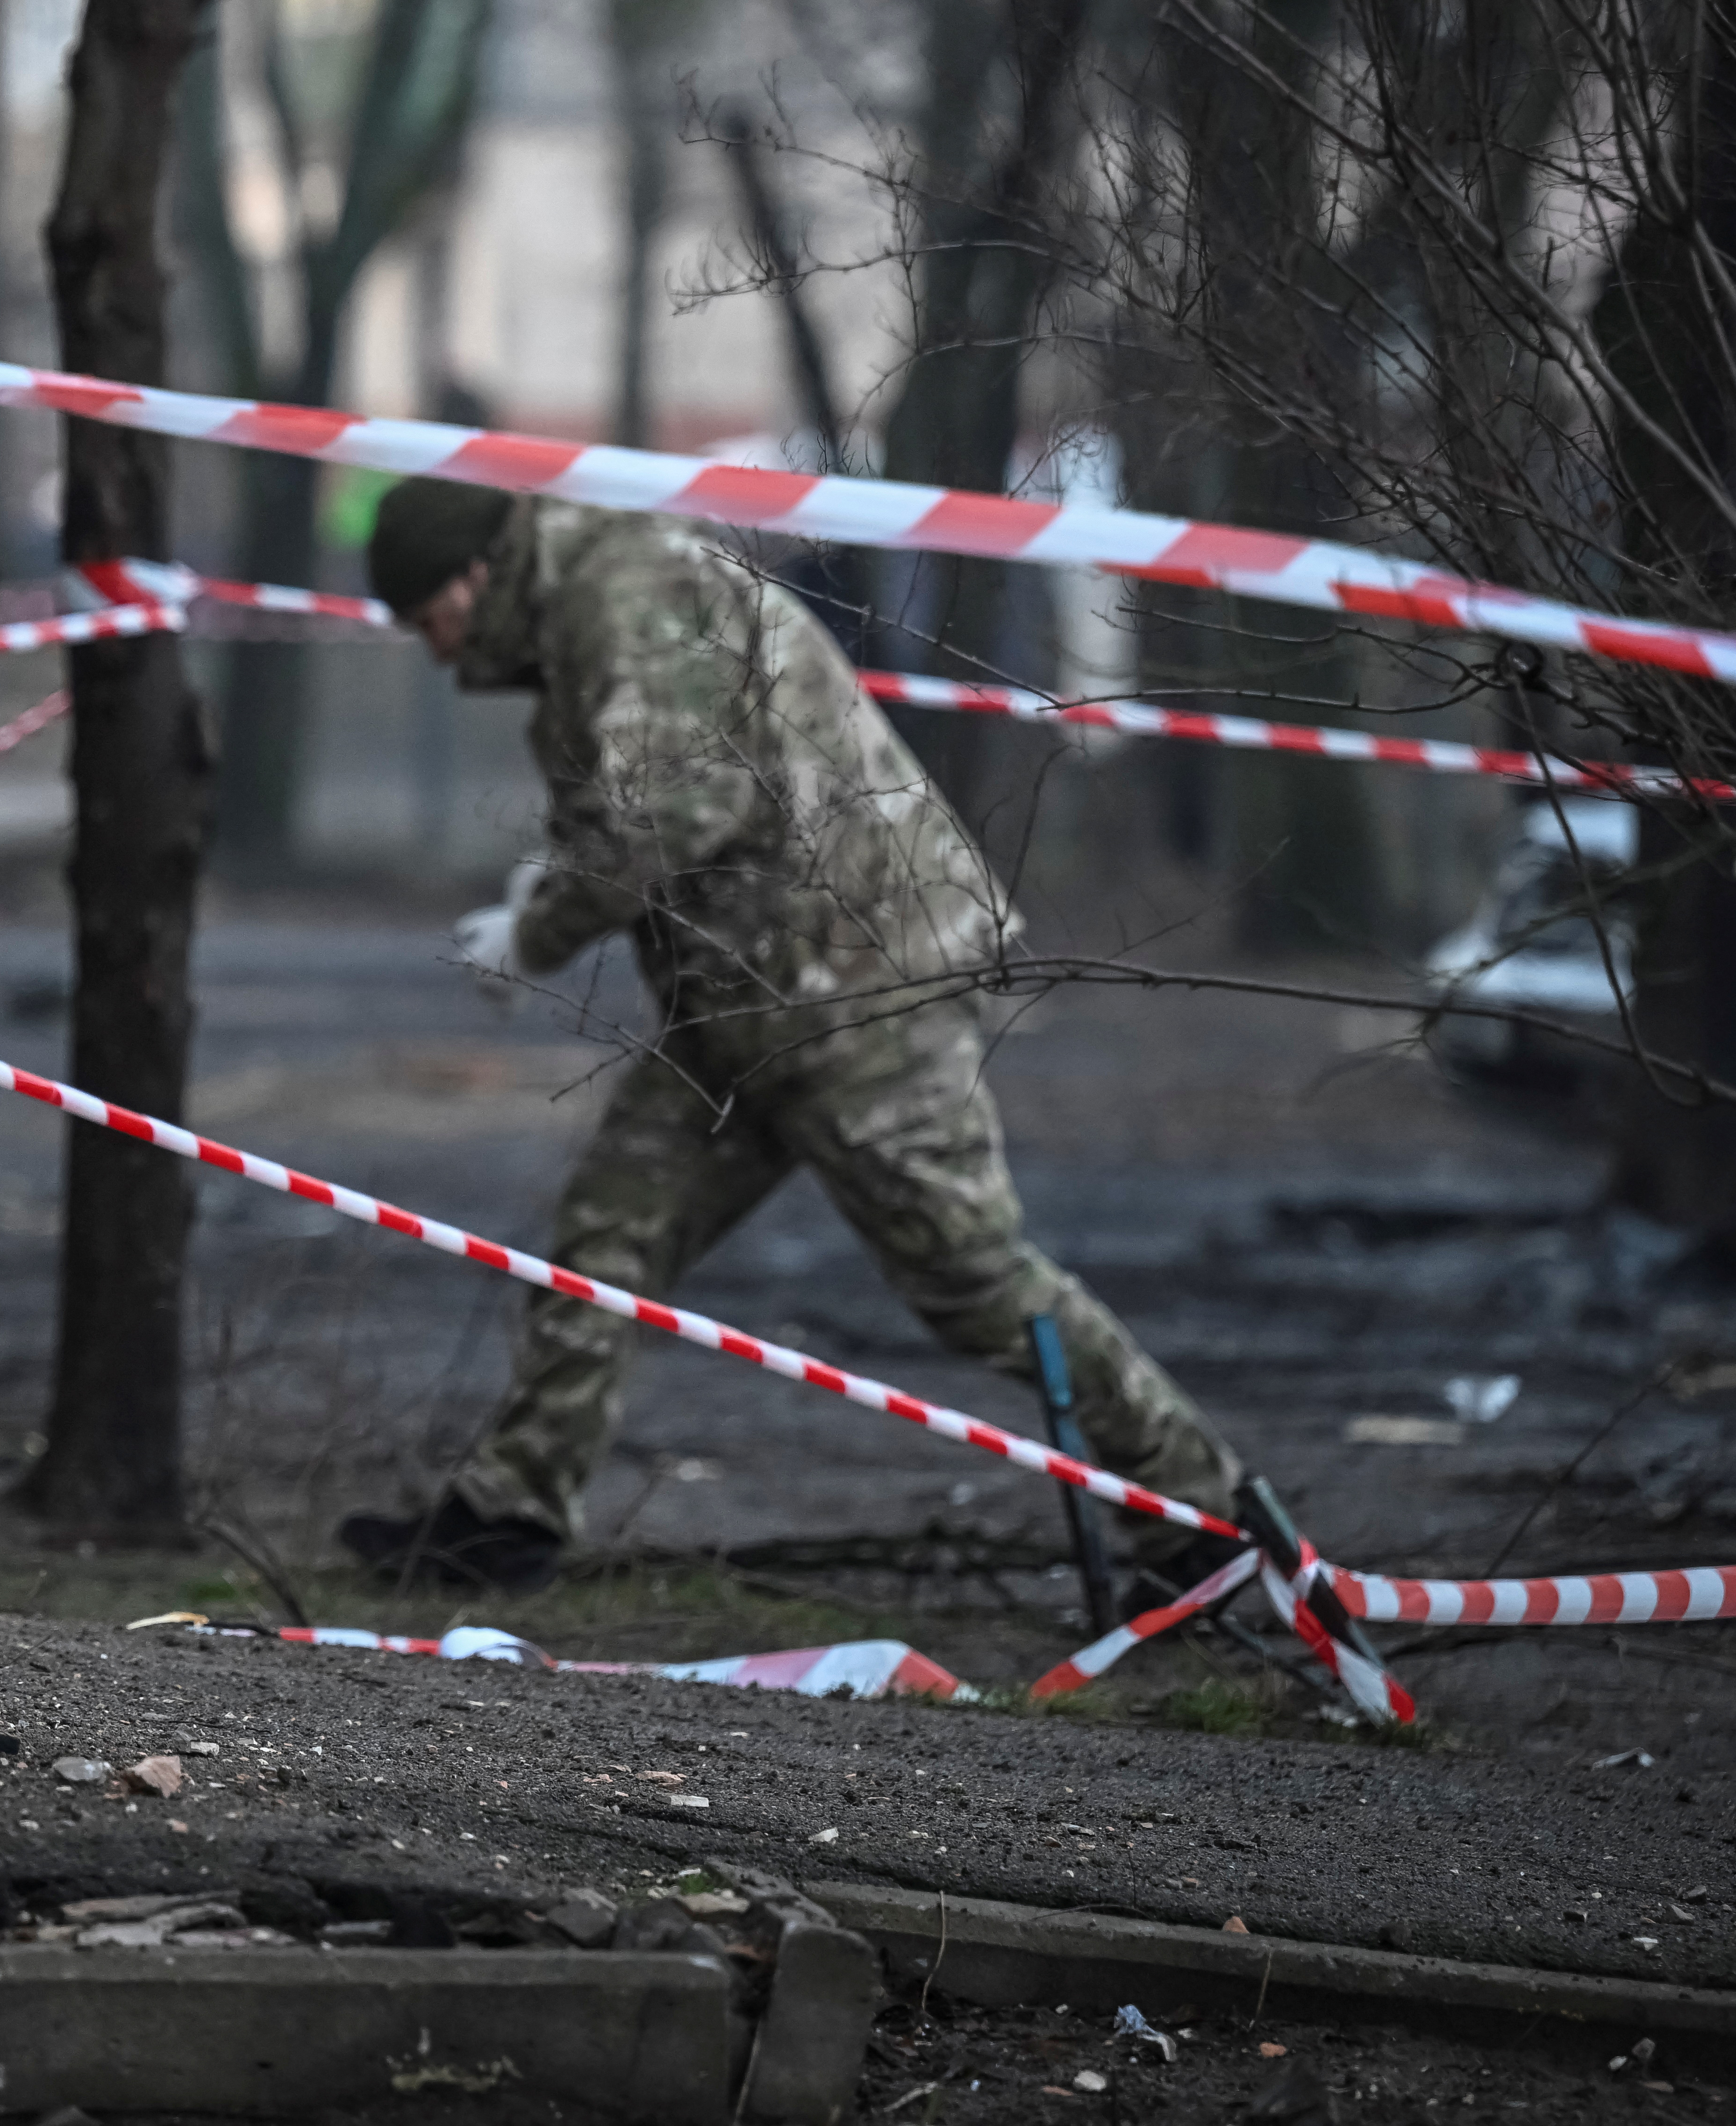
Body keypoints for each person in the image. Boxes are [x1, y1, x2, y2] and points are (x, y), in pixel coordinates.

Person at [337, 476, 1243, 1594]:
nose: (439, 653)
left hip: (864, 989)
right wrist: (550, 882)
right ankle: (508, 1515)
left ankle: (1210, 1523)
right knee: (604, 1237)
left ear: (473, 577)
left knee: (975, 1279)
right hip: (746, 1004)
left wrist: (538, 927)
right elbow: (641, 793)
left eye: (434, 621)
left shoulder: (626, 592)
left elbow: (674, 810)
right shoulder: (594, 603)